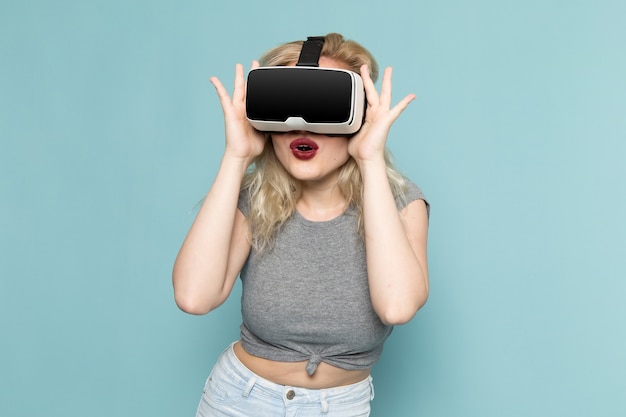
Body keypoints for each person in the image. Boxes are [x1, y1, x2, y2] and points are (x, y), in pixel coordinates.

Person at [172, 33, 430, 417]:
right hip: (238, 401)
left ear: (361, 116)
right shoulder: (253, 199)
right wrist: (236, 156)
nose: (301, 125)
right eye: (284, 107)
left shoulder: (400, 202)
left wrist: (370, 159)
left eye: (323, 106)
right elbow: (194, 297)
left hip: (340, 407)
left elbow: (397, 306)